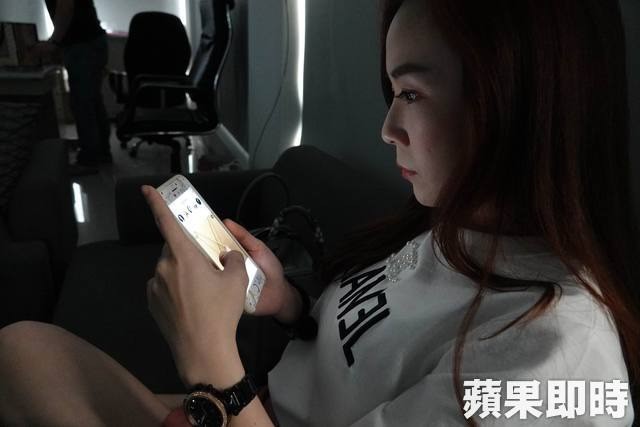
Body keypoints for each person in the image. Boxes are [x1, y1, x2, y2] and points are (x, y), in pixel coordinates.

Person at [0, 0, 638, 425]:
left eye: (412, 93)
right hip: (258, 408)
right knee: (22, 352)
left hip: (240, 406)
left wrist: (207, 356)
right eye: (393, 92)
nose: (388, 128)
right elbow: (371, 341)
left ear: (521, 100)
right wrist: (286, 302)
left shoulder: (556, 367)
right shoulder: (456, 226)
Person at [31, 0, 111, 175]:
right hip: (91, 42)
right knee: (92, 101)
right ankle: (101, 153)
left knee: (82, 103)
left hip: (83, 45)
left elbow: (66, 6)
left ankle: (89, 160)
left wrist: (54, 42)